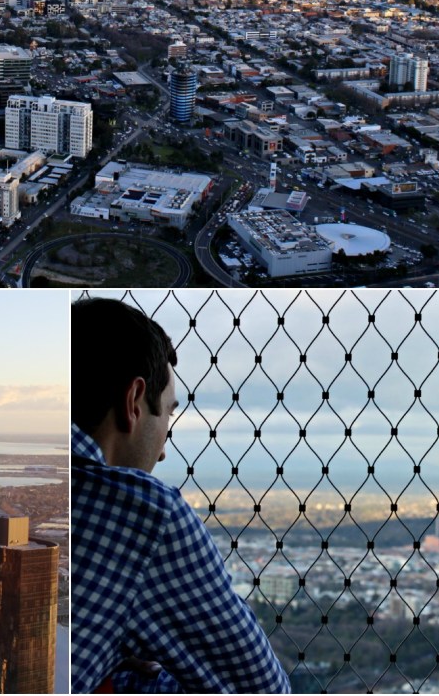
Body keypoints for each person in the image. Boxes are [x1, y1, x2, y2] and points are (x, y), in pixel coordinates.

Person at [71, 297, 290, 694]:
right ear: (133, 403)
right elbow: (264, 690)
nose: (163, 451)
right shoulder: (142, 513)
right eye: (167, 414)